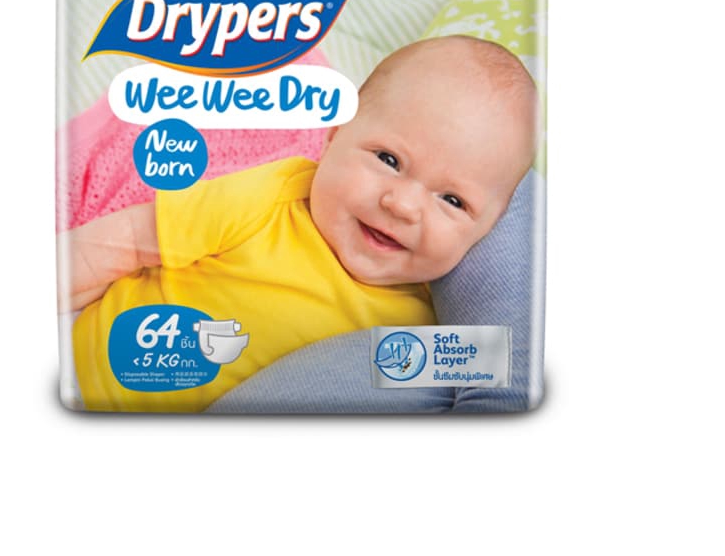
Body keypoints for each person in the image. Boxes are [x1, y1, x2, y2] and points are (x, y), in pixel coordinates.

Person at [61, 35, 538, 412]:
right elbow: (128, 241)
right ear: (333, 137)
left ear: (489, 230)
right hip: (78, 373)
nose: (402, 205)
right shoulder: (275, 196)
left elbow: (497, 375)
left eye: (452, 200)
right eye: (388, 159)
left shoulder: (429, 330)